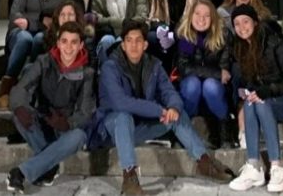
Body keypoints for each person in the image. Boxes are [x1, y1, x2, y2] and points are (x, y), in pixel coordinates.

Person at [98, 18, 234, 195]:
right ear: (122, 45)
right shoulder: (110, 67)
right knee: (123, 116)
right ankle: (130, 178)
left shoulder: (153, 64)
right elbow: (121, 102)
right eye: (129, 41)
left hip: (139, 128)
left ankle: (204, 161)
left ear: (145, 45)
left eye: (138, 40)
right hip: (112, 131)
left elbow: (170, 93)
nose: (133, 45)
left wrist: (174, 108)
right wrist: (159, 110)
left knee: (177, 114)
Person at [7, 21, 95, 193]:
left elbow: (85, 112)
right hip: (44, 121)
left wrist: (67, 123)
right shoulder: (44, 61)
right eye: (64, 41)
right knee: (19, 115)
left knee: (79, 136)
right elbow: (21, 88)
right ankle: (48, 166)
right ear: (58, 42)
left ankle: (21, 172)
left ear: (81, 45)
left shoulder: (87, 73)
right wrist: (20, 107)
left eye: (74, 42)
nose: (68, 47)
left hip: (65, 129)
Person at [228, 4, 283, 193]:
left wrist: (267, 91)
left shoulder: (276, 43)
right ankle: (254, 166)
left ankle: (277, 167)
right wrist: (248, 94)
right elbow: (251, 85)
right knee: (252, 102)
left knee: (261, 102)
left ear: (255, 22)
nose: (241, 27)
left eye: (245, 21)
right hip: (265, 102)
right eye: (236, 24)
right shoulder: (240, 48)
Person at [0, 0, 78, 110]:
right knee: (25, 38)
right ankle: (6, 88)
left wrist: (31, 21)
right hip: (19, 33)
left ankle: (30, 84)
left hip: (45, 32)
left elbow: (59, 20)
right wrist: (40, 19)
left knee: (40, 39)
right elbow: (15, 13)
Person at [176, 0, 234, 148]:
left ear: (213, 18)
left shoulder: (223, 34)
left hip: (215, 92)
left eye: (206, 15)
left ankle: (225, 134)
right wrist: (214, 73)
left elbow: (225, 72)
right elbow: (184, 68)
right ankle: (181, 132)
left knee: (210, 86)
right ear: (191, 15)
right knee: (192, 84)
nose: (201, 19)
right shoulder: (186, 34)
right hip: (191, 90)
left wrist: (214, 75)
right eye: (197, 14)